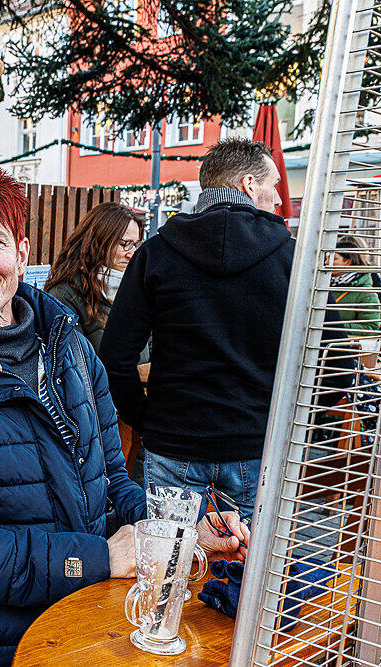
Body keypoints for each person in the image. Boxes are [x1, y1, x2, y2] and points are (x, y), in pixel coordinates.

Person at [0, 162, 248, 665]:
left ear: (21, 252)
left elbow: (113, 488)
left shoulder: (72, 347)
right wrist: (98, 559)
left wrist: (187, 535)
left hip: (92, 617)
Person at [100, 139, 290, 517]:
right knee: (248, 569)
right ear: (249, 186)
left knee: (169, 566)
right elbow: (330, 355)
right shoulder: (292, 257)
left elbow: (114, 357)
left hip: (175, 439)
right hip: (257, 443)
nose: (280, 199)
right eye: (275, 185)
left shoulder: (157, 252)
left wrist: (147, 420)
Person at [45, 202, 144, 352]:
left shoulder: (137, 287)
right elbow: (74, 365)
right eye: (125, 244)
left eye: (135, 245)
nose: (132, 253)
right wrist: (135, 373)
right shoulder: (65, 295)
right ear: (98, 242)